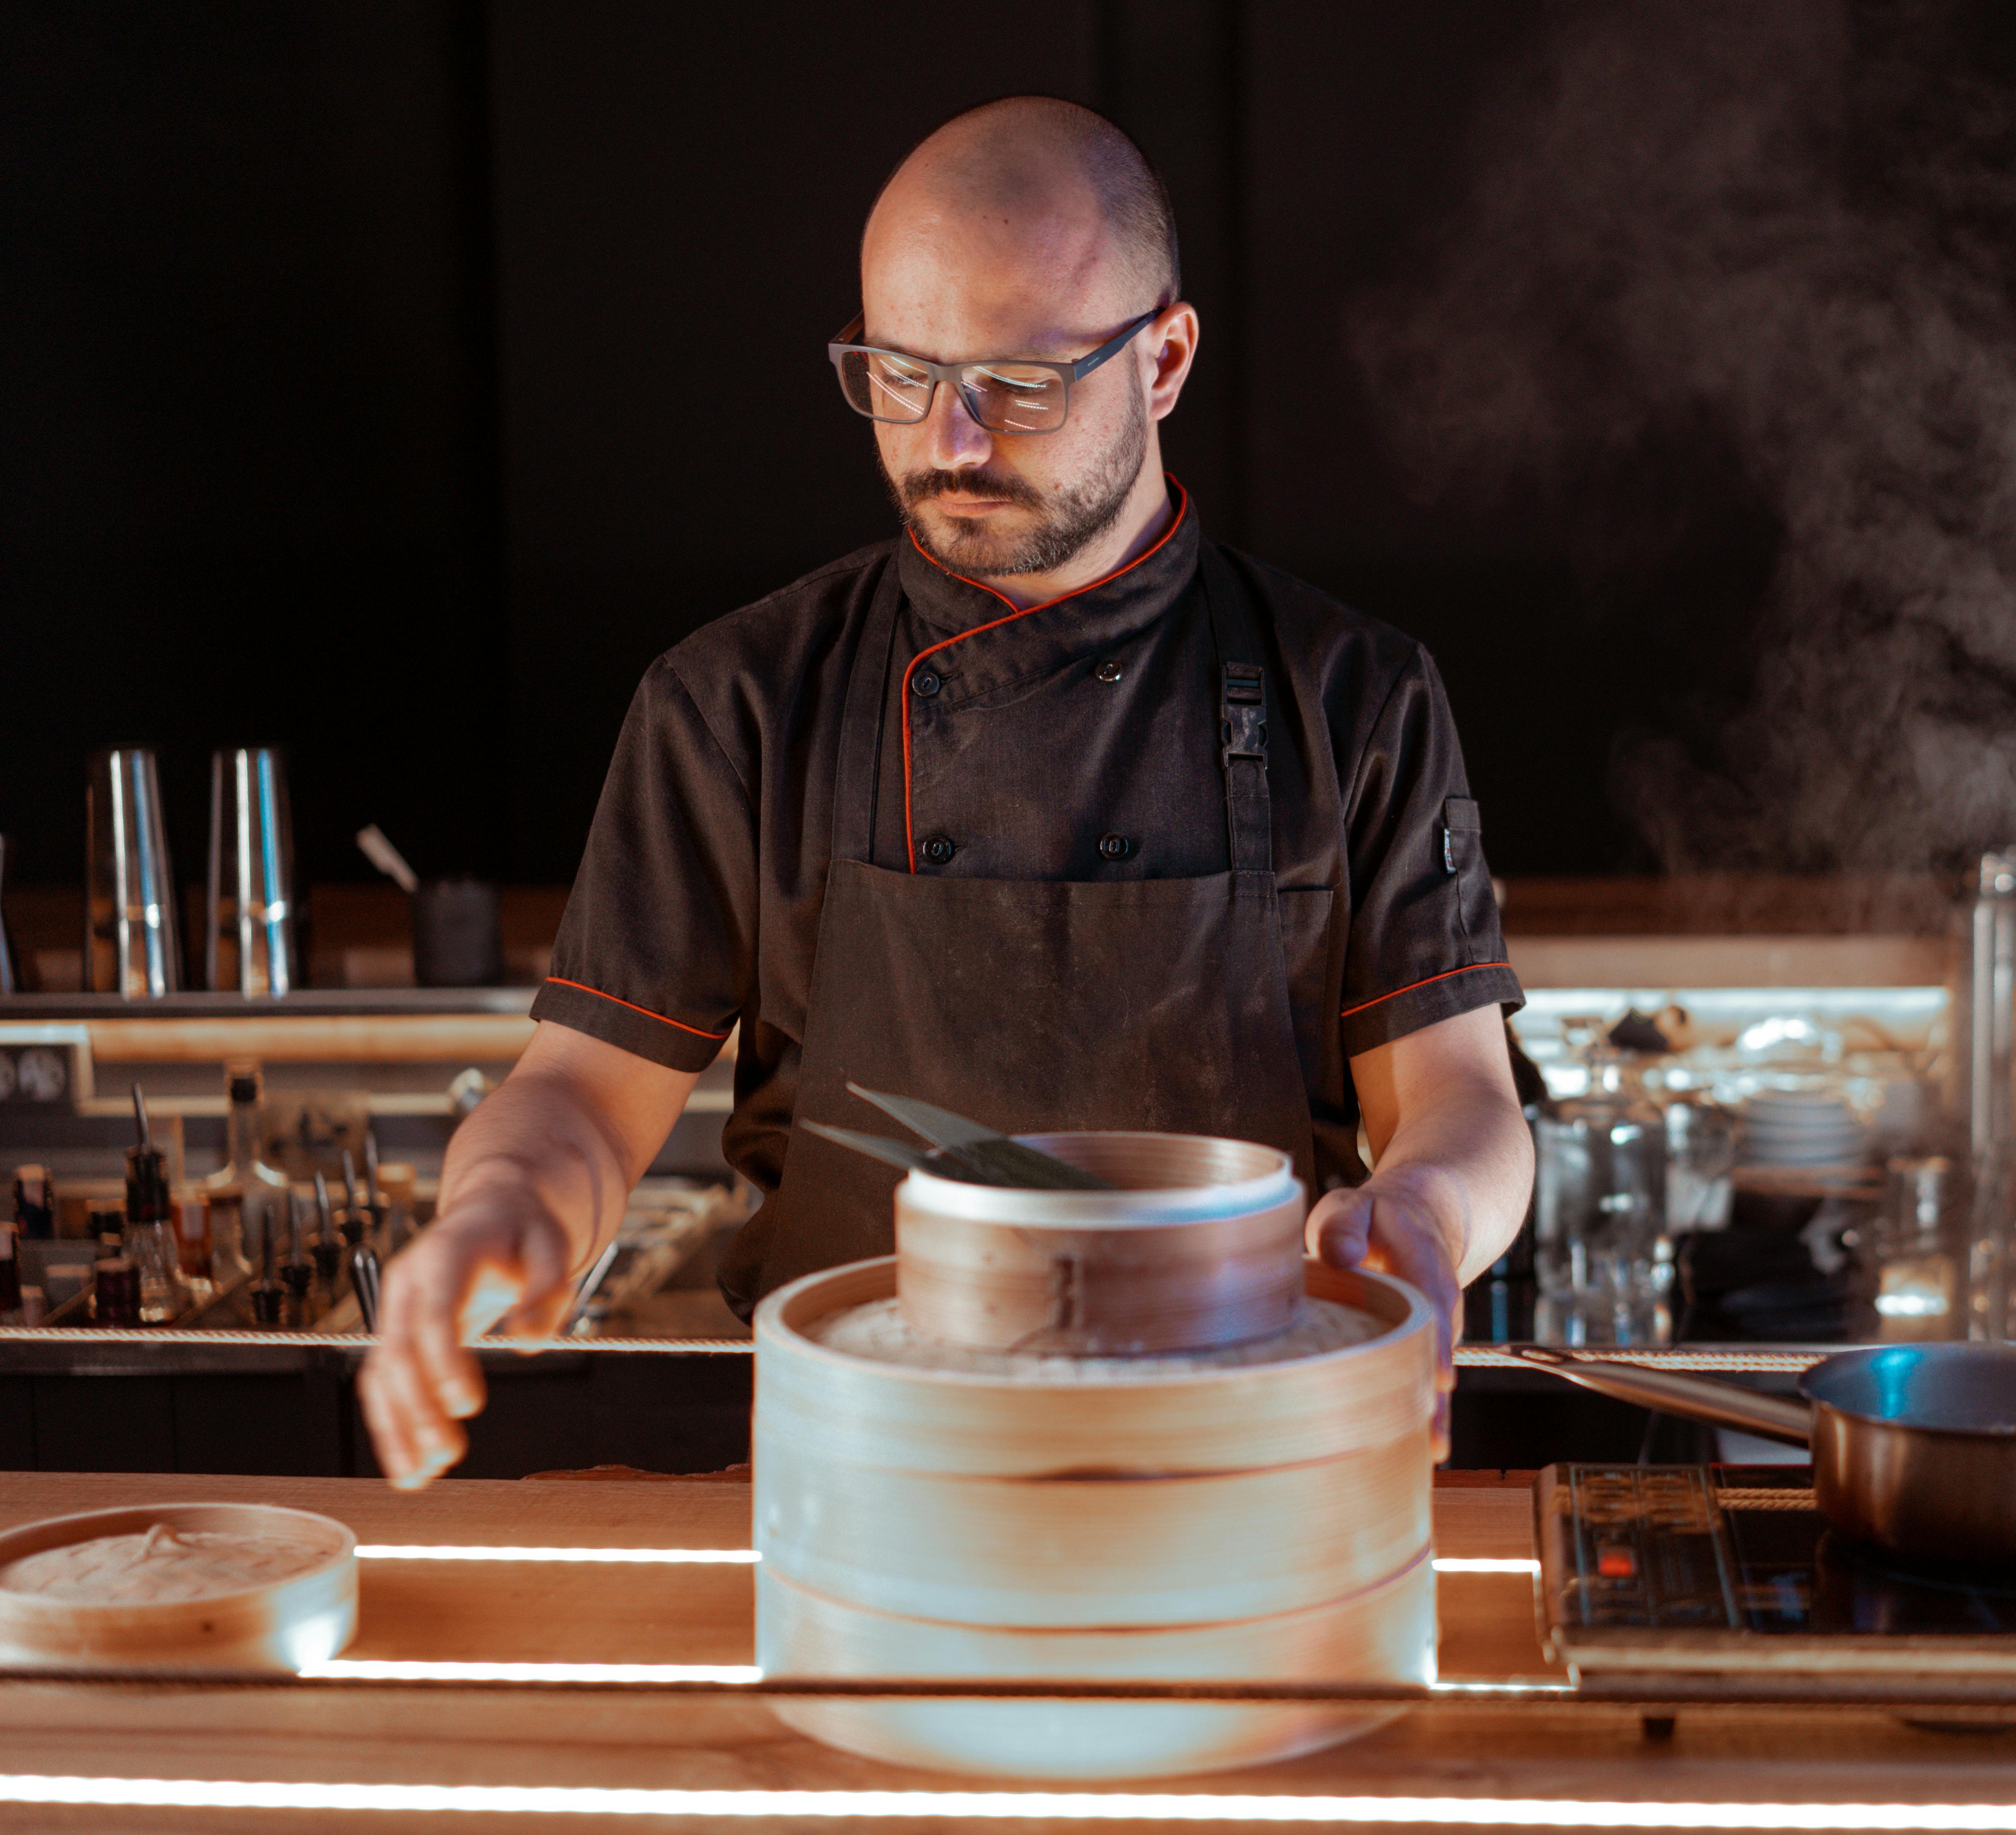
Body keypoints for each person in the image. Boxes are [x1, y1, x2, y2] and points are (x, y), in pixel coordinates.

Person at [358, 96, 1532, 1485]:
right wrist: (504, 1202)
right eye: (900, 374)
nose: (951, 442)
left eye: (1020, 386)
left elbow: (1461, 1101)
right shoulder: (739, 701)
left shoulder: (1353, 697)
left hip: (1247, 1475)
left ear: (1164, 360)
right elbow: (578, 1099)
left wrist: (1427, 1209)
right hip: (854, 1480)